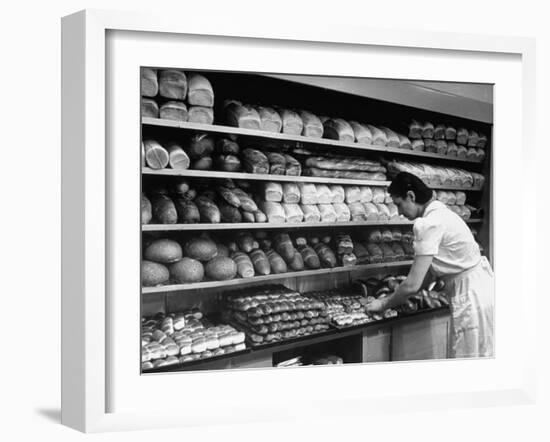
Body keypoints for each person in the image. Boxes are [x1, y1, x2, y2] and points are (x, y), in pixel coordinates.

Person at [366, 172, 494, 358]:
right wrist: (407, 292)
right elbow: (428, 274)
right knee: (483, 357)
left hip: (470, 296)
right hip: (482, 289)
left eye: (399, 204)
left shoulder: (428, 223)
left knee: (469, 365)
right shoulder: (442, 214)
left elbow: (412, 285)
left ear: (411, 196)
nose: (399, 212)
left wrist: (383, 304)